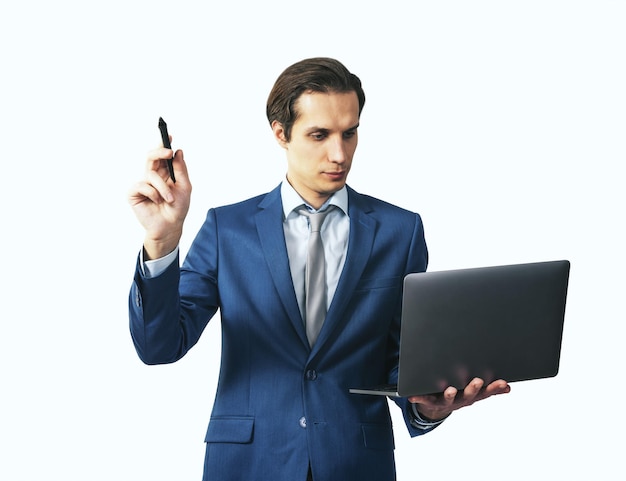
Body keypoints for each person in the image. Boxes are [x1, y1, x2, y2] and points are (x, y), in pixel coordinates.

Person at [128, 57, 511, 481]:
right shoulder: (227, 229)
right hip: (248, 463)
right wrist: (161, 243)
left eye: (350, 133)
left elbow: (400, 359)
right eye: (319, 135)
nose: (339, 153)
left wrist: (426, 406)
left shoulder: (400, 231)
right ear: (280, 134)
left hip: (356, 463)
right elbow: (159, 347)